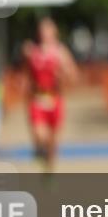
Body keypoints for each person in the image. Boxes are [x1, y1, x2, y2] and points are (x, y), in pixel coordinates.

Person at [23, 17, 78, 172]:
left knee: (54, 142)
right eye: (42, 30)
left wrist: (63, 74)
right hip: (37, 99)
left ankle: (49, 170)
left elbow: (73, 76)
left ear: (55, 32)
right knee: (40, 135)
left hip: (55, 98)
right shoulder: (31, 51)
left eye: (48, 30)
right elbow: (27, 74)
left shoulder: (61, 52)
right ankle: (41, 149)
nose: (44, 33)